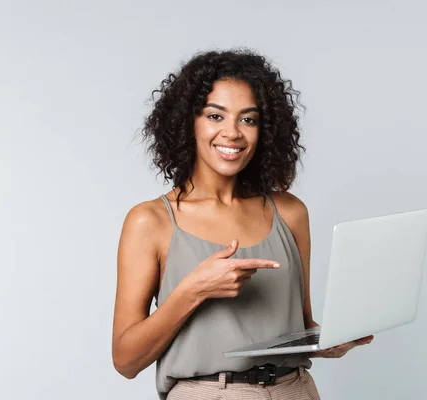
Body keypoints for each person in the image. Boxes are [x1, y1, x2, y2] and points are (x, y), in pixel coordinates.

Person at [111, 49, 374, 400]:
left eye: (248, 119)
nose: (232, 133)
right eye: (215, 116)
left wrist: (326, 343)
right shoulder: (151, 221)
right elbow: (126, 361)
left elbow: (301, 325)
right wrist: (194, 291)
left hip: (293, 390)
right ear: (188, 122)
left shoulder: (290, 212)